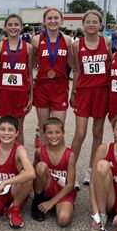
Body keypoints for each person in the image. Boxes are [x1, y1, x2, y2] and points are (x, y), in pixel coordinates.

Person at [70, 10, 112, 185]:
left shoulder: (107, 41)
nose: (92, 24)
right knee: (80, 133)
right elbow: (77, 70)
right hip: (84, 92)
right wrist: (73, 90)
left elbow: (109, 65)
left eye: (95, 22)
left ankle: (91, 170)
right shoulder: (77, 45)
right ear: (83, 24)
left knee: (97, 133)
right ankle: (69, 170)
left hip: (101, 91)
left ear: (100, 25)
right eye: (88, 22)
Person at [31, 7, 73, 143]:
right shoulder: (36, 40)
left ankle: (59, 163)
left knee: (58, 130)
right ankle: (44, 161)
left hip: (60, 88)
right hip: (42, 88)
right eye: (49, 18)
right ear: (44, 21)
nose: (53, 21)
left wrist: (76, 89)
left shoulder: (67, 40)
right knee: (44, 129)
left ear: (61, 20)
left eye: (56, 18)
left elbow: (75, 66)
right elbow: (30, 65)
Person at [31, 117, 77, 227]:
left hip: (63, 191)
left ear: (63, 133)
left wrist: (52, 202)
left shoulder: (70, 155)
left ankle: (61, 205)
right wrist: (29, 189)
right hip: (46, 188)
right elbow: (33, 172)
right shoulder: (39, 152)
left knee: (64, 220)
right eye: (50, 132)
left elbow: (70, 185)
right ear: (44, 134)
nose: (54, 136)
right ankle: (37, 201)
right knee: (41, 166)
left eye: (57, 132)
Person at [0, 14, 33, 144]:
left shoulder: (28, 47)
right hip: (5, 91)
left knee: (18, 128)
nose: (13, 27)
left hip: (21, 91)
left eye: (16, 25)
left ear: (21, 27)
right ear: (5, 27)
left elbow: (29, 73)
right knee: (5, 127)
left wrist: (31, 95)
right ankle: (5, 159)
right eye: (10, 25)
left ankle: (18, 159)